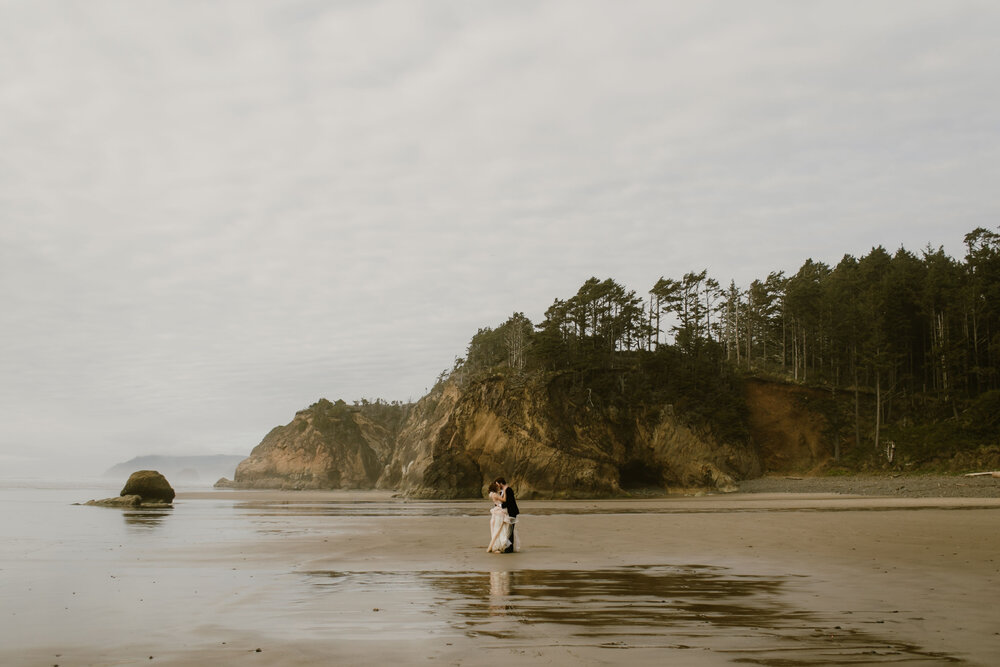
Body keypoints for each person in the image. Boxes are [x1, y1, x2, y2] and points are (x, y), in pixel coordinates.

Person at [494, 476, 520, 553]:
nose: (497, 486)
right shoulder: (503, 490)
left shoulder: (508, 490)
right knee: (507, 530)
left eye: (497, 484)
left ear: (501, 483)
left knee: (510, 530)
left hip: (512, 512)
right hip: (507, 512)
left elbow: (509, 502)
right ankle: (508, 547)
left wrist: (500, 506)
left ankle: (509, 548)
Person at [486, 482, 512, 553]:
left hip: (496, 511)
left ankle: (496, 545)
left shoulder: (491, 494)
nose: (498, 487)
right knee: (499, 529)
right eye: (497, 486)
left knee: (496, 529)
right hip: (499, 512)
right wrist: (505, 492)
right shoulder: (495, 495)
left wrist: (502, 491)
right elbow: (504, 500)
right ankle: (497, 546)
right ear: (495, 488)